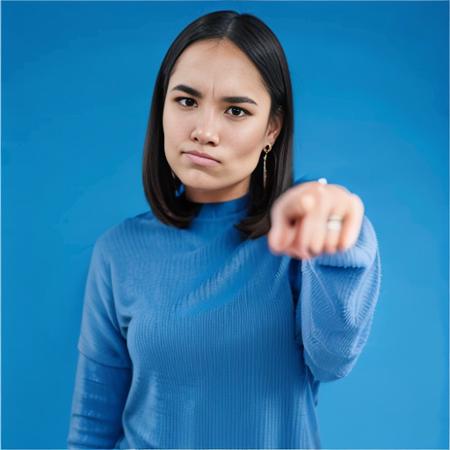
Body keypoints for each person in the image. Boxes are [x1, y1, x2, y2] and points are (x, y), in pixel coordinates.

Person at [67, 10, 382, 449]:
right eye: (186, 101)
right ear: (162, 108)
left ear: (271, 128)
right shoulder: (118, 252)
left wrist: (339, 232)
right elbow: (92, 428)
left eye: (235, 110)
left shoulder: (297, 243)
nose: (204, 131)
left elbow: (333, 360)